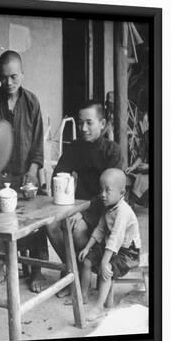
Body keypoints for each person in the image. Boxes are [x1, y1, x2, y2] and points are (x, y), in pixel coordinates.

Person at [0, 50, 47, 293]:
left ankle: (36, 269)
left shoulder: (32, 101)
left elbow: (37, 143)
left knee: (35, 217)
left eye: (14, 77)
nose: (9, 83)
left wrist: (34, 169)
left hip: (26, 173)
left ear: (22, 74)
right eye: (3, 78)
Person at [46, 100, 123, 297]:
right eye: (80, 123)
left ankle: (78, 279)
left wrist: (82, 211)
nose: (83, 128)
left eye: (89, 123)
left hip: (106, 210)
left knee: (77, 229)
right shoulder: (75, 147)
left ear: (102, 123)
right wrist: (66, 193)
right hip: (78, 206)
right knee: (51, 226)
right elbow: (59, 173)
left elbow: (112, 193)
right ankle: (73, 272)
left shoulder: (112, 151)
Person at [77, 168, 141, 321]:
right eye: (101, 190)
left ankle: (99, 306)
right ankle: (83, 296)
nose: (103, 195)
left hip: (127, 252)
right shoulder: (108, 207)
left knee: (108, 269)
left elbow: (116, 239)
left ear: (122, 193)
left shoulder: (123, 212)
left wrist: (105, 262)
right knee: (86, 261)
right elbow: (100, 229)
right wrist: (87, 248)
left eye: (108, 190)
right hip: (111, 247)